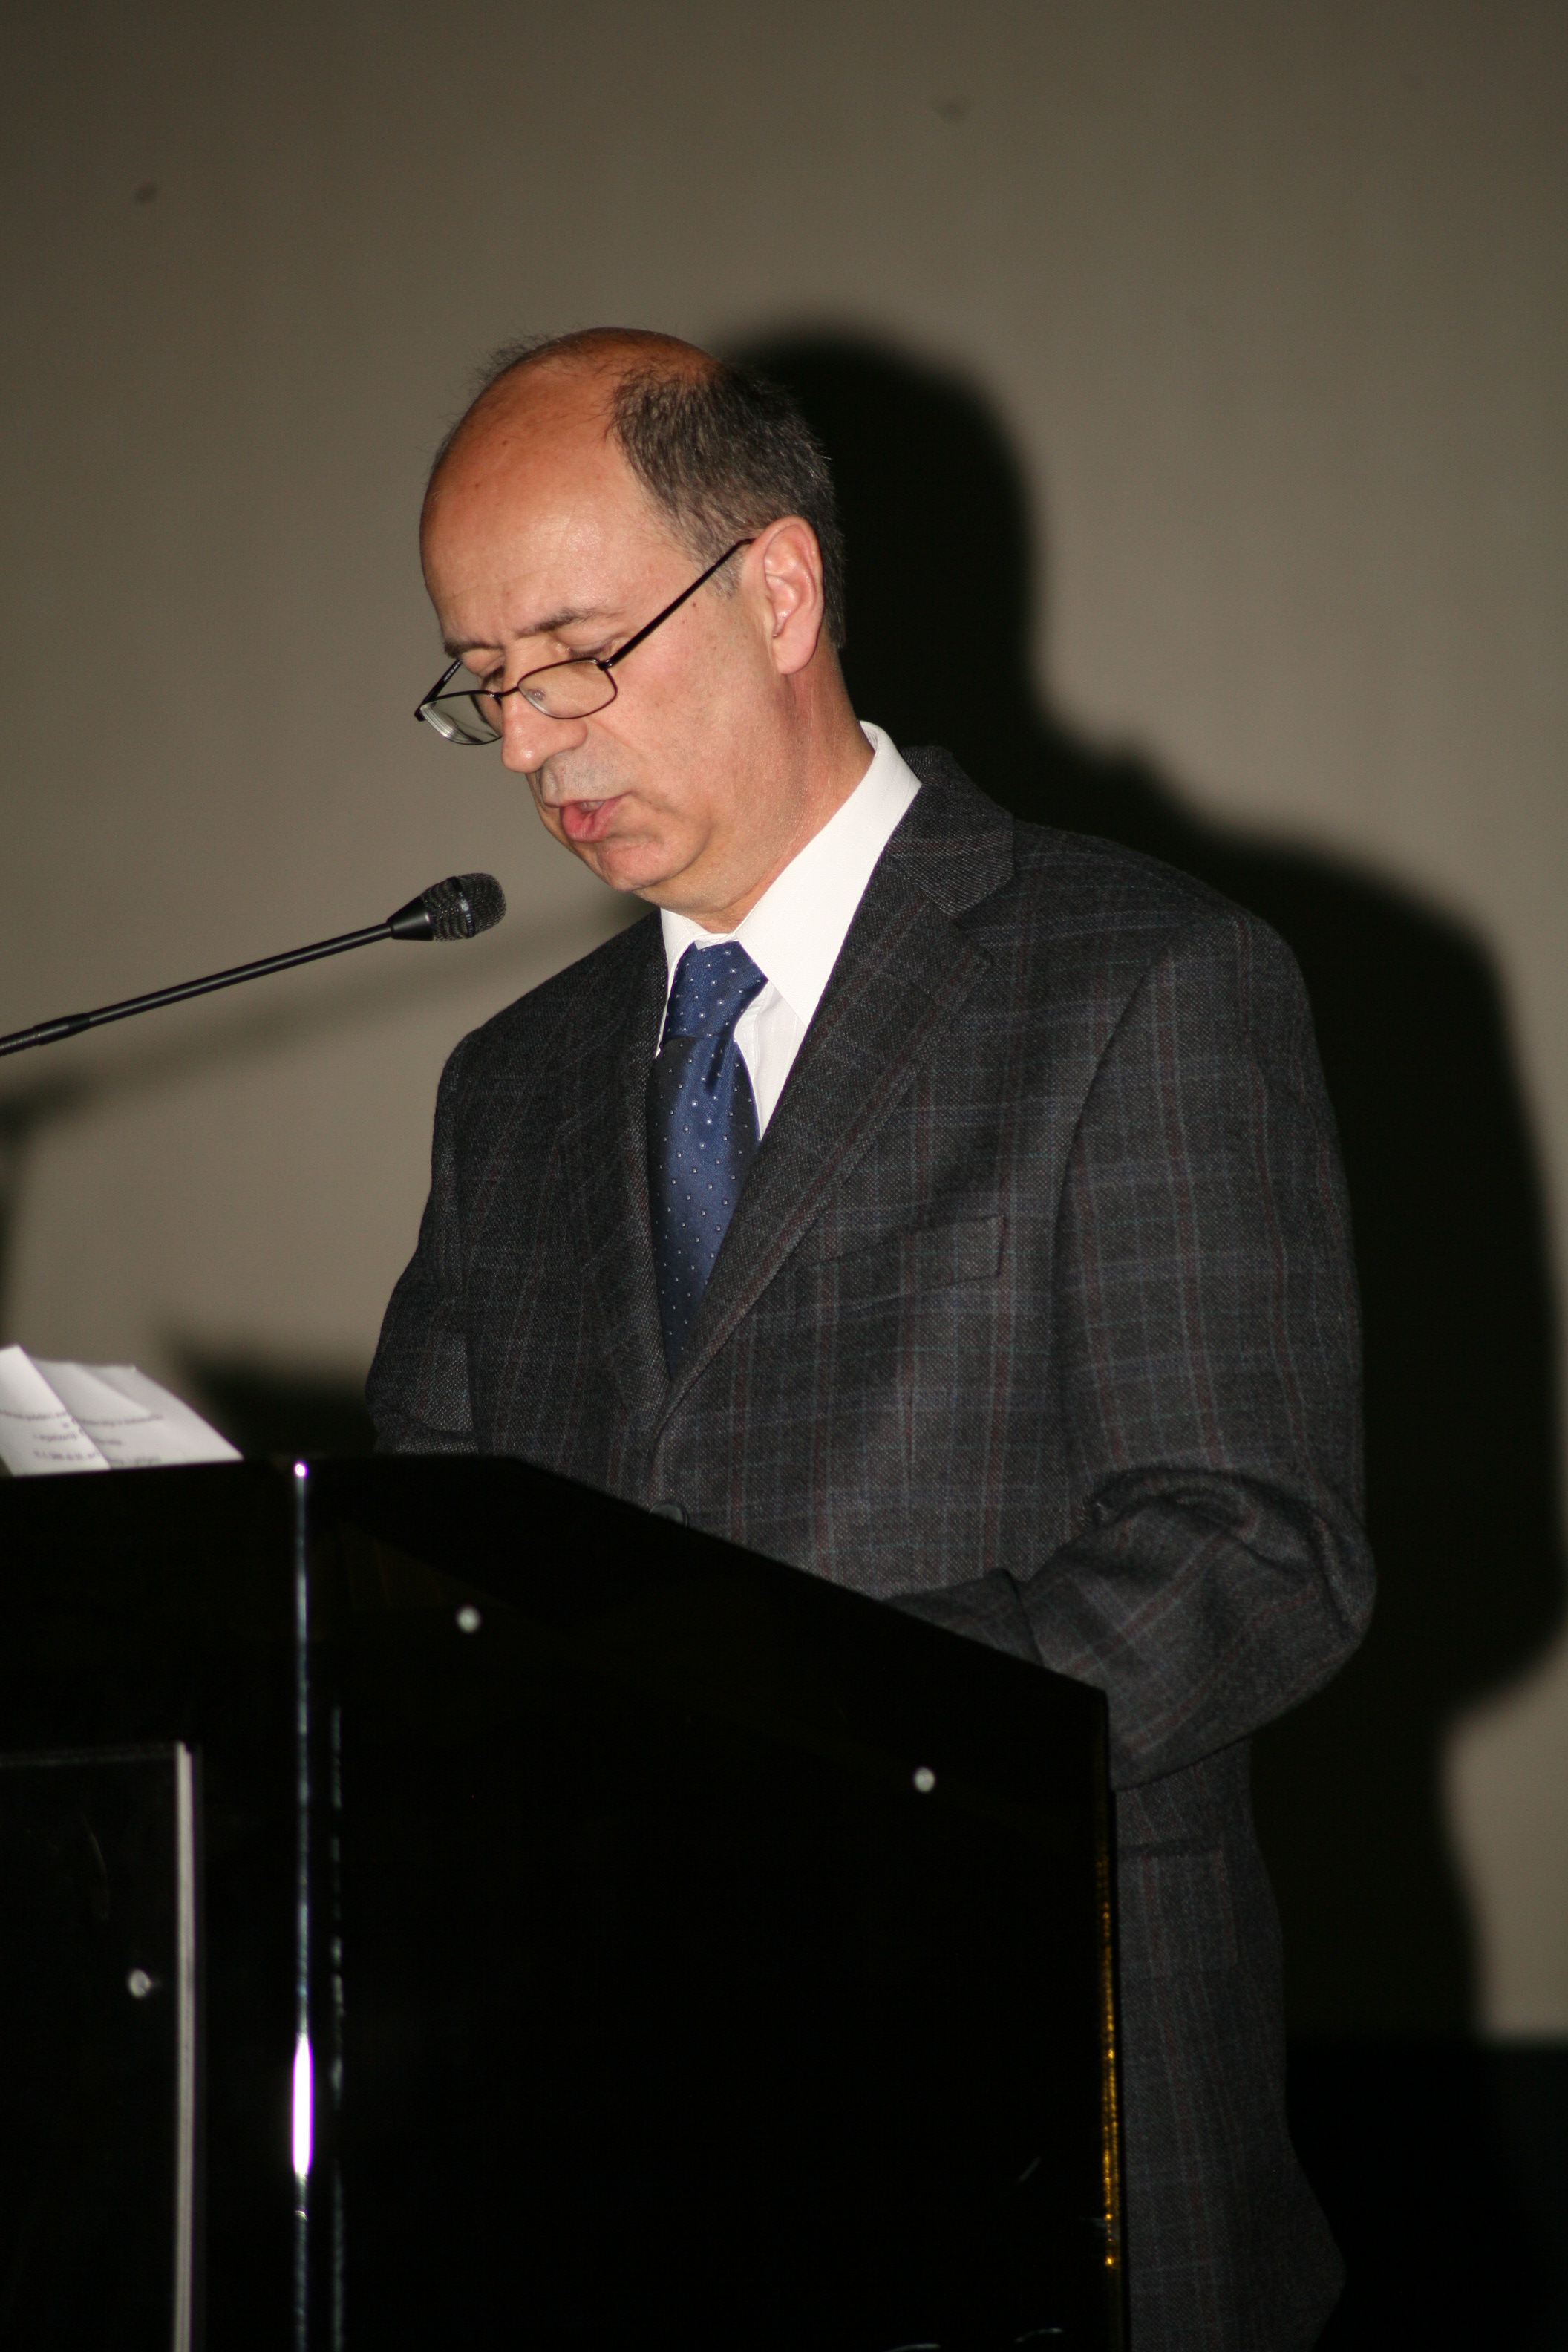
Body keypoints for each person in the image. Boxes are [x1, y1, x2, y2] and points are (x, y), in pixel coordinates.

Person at [368, 327, 1374, 2350]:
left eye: (576, 654)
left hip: (1042, 2112)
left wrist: (808, 1745)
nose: (537, 740)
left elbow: (1257, 1555)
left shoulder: (1144, 982)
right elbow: (436, 1562)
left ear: (779, 589)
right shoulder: (511, 1089)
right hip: (621, 2156)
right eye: (484, 683)